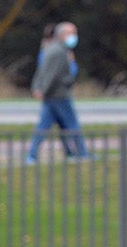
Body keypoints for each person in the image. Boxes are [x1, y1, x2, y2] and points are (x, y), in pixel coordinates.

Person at [26, 21, 88, 164]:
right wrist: (43, 90)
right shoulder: (59, 52)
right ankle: (82, 154)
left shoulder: (52, 49)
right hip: (58, 96)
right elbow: (51, 75)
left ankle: (33, 155)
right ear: (62, 34)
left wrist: (38, 88)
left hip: (52, 96)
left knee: (47, 126)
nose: (74, 36)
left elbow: (42, 72)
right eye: (72, 33)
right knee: (72, 126)